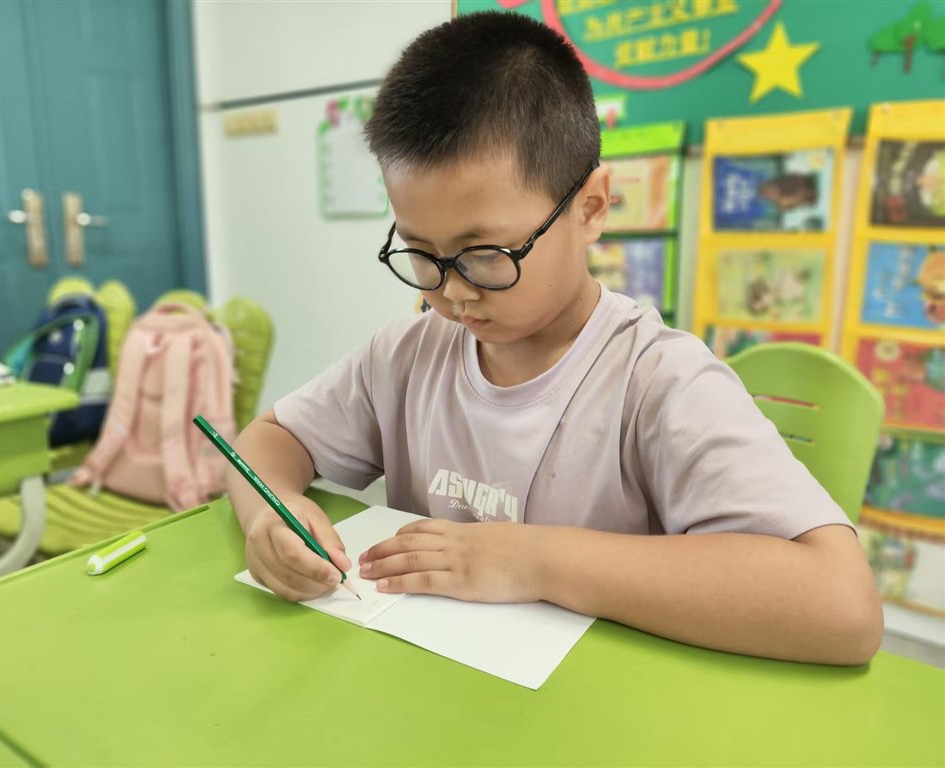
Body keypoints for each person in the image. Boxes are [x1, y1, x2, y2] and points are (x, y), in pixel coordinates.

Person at [229, 12, 882, 665]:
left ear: (591, 207)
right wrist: (270, 511)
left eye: (485, 254)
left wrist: (533, 560)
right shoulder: (405, 356)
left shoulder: (658, 381)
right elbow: (269, 440)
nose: (451, 292)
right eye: (421, 253)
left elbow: (842, 607)